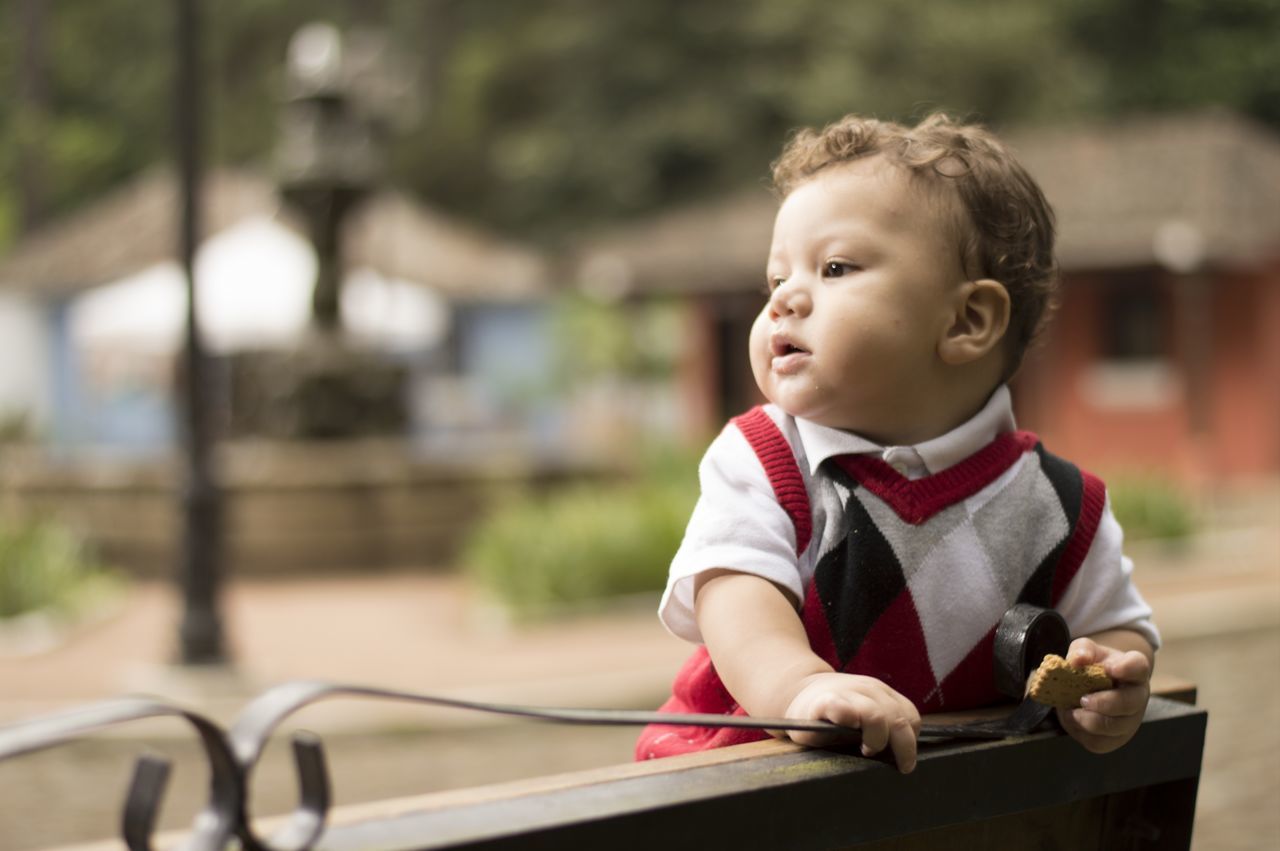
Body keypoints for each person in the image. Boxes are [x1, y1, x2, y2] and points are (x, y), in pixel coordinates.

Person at [635, 113, 1159, 774]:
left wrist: (1106, 678)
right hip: (746, 784)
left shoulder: (1057, 505)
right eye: (776, 279)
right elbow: (734, 594)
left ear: (968, 320)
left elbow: (1116, 628)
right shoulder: (767, 459)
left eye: (833, 267)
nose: (785, 299)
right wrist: (797, 685)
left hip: (951, 806)